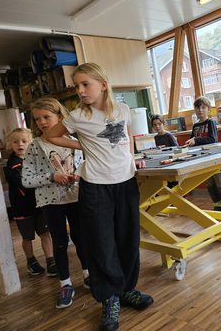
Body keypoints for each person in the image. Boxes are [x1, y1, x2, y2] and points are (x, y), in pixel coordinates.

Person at [47, 63, 153, 331]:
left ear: (103, 84)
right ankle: (110, 299)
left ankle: (127, 289)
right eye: (77, 86)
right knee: (102, 244)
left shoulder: (123, 110)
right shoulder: (77, 116)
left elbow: (126, 137)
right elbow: (53, 135)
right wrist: (82, 143)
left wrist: (132, 159)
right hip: (95, 187)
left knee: (128, 239)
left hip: (126, 182)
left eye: (86, 84)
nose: (80, 90)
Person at [22, 98, 89, 309]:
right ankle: (66, 283)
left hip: (77, 199)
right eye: (37, 119)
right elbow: (26, 179)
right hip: (51, 203)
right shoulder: (35, 146)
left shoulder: (75, 140)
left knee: (81, 238)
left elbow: (84, 166)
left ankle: (88, 275)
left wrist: (79, 175)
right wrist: (52, 177)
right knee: (59, 242)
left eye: (47, 117)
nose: (42, 122)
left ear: (60, 117)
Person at [5, 128, 56, 277]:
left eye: (24, 141)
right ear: (10, 144)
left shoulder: (32, 159)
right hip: (22, 208)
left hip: (39, 204)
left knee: (45, 233)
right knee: (27, 237)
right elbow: (24, 184)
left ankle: (51, 261)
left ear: (30, 143)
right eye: (15, 141)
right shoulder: (14, 164)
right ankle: (31, 261)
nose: (20, 144)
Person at [185, 96, 221, 212]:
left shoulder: (211, 122)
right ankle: (218, 204)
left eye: (203, 107)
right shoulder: (195, 126)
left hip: (215, 158)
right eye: (198, 107)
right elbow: (192, 139)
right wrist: (189, 143)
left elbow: (212, 139)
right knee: (210, 185)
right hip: (203, 159)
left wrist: (196, 141)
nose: (200, 110)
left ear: (209, 109)